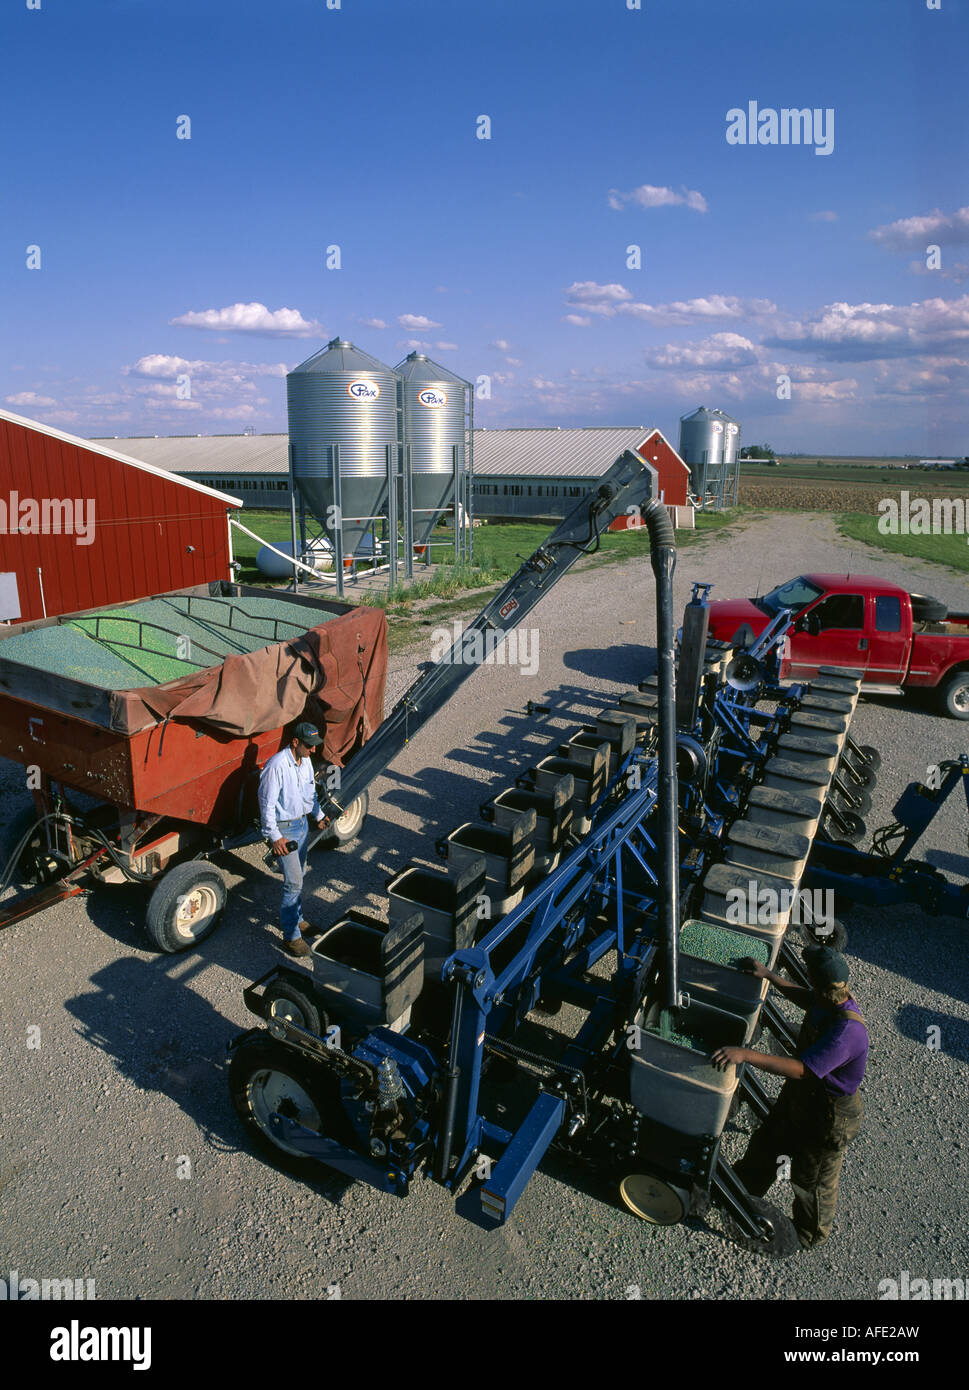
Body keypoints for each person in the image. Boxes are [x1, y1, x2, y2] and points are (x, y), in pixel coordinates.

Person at [711, 944, 868, 1249]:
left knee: (811, 1178)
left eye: (810, 975)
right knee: (768, 1142)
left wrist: (745, 1054)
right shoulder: (826, 999)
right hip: (803, 1098)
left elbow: (801, 1070)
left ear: (821, 981)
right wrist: (769, 975)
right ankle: (742, 1191)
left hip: (829, 1114)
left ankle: (807, 1235)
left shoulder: (848, 1031)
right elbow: (807, 999)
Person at [258, 721, 328, 958]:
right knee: (294, 882)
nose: (314, 750)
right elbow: (266, 805)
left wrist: (318, 815)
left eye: (315, 745)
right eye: (309, 745)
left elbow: (310, 793)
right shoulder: (276, 765)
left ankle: (297, 919)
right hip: (284, 830)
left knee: (301, 873)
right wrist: (275, 836)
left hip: (301, 825)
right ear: (295, 742)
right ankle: (291, 936)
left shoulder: (306, 761)